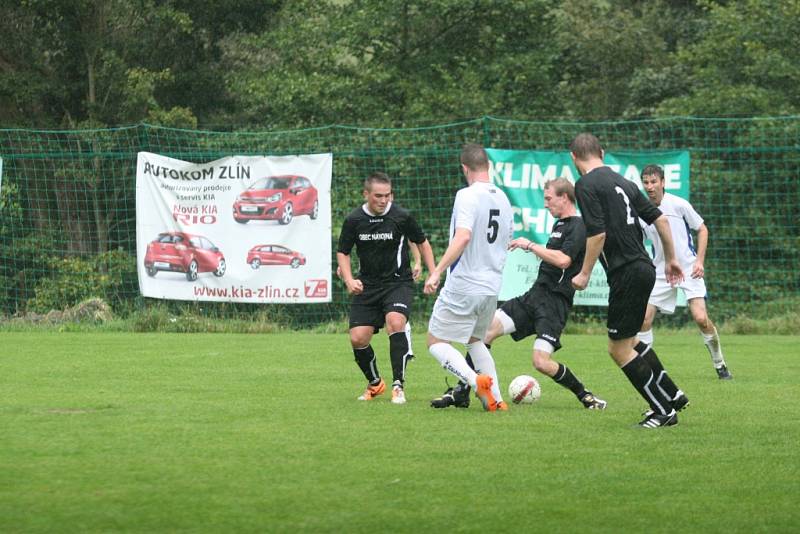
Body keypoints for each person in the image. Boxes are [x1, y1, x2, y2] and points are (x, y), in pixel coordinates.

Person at [431, 178, 607, 410]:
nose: (546, 205)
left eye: (549, 198)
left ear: (564, 197)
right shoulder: (560, 225)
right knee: (484, 335)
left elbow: (564, 261)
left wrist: (530, 245)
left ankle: (585, 395)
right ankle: (463, 391)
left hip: (554, 304)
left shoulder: (578, 226)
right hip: (533, 296)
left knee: (541, 362)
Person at [569, 133, 687, 429]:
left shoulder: (585, 185)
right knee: (632, 340)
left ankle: (662, 411)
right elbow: (660, 219)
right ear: (603, 153)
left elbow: (597, 234)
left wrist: (584, 273)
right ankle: (672, 394)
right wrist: (671, 258)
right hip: (645, 268)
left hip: (626, 273)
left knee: (617, 348)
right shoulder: (625, 182)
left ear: (574, 158)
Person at [424, 143, 513, 412]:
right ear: (488, 166)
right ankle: (496, 400)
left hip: (465, 283)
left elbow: (463, 236)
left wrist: (437, 271)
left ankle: (476, 381)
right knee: (475, 341)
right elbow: (506, 241)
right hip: (491, 286)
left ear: (465, 168)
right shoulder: (504, 198)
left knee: (435, 340)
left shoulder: (467, 195)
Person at [337, 172, 436, 404]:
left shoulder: (401, 216)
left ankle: (398, 385)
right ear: (366, 194)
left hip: (397, 283)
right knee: (358, 339)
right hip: (368, 286)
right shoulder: (354, 220)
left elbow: (422, 242)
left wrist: (433, 272)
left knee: (396, 322)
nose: (383, 200)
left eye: (387, 195)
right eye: (378, 196)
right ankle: (375, 383)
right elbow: (343, 252)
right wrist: (350, 280)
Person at [638, 165, 732, 380]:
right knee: (644, 319)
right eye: (646, 182)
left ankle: (720, 364)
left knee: (700, 318)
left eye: (654, 181)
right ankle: (647, 372)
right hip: (661, 272)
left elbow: (702, 229)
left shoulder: (679, 205)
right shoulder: (641, 211)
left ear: (663, 182)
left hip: (689, 269)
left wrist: (699, 261)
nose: (650, 186)